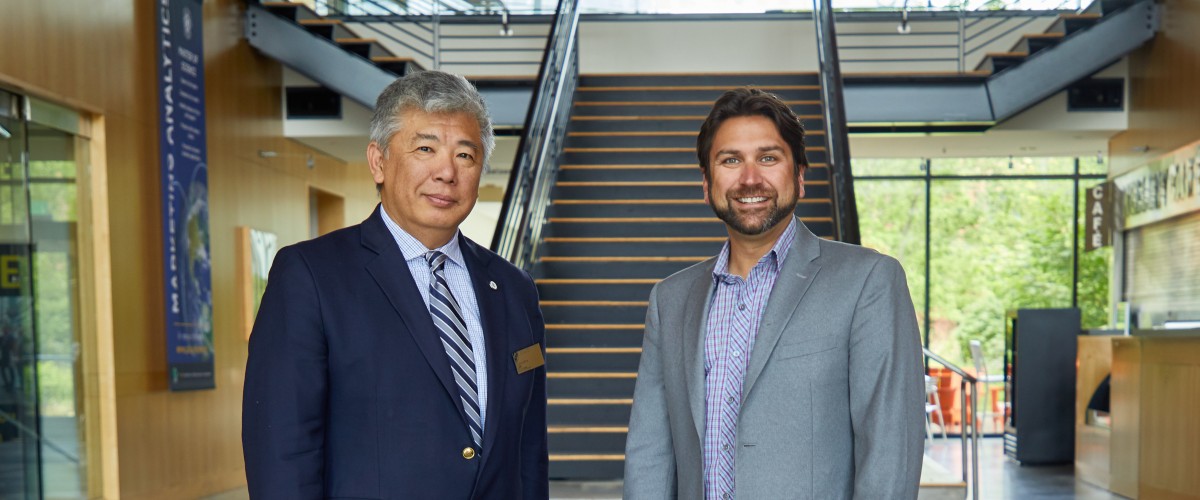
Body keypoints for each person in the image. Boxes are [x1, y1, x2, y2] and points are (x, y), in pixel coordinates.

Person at [243, 70, 548, 499]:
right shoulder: (310, 276)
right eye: (426, 148)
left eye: (466, 155)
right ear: (379, 161)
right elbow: (282, 454)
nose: (447, 172)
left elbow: (528, 451)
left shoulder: (513, 288)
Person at [623, 88, 925, 499]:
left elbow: (890, 450)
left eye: (768, 158)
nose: (750, 178)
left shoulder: (869, 282)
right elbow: (649, 453)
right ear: (706, 183)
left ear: (799, 176)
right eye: (730, 160)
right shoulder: (670, 301)